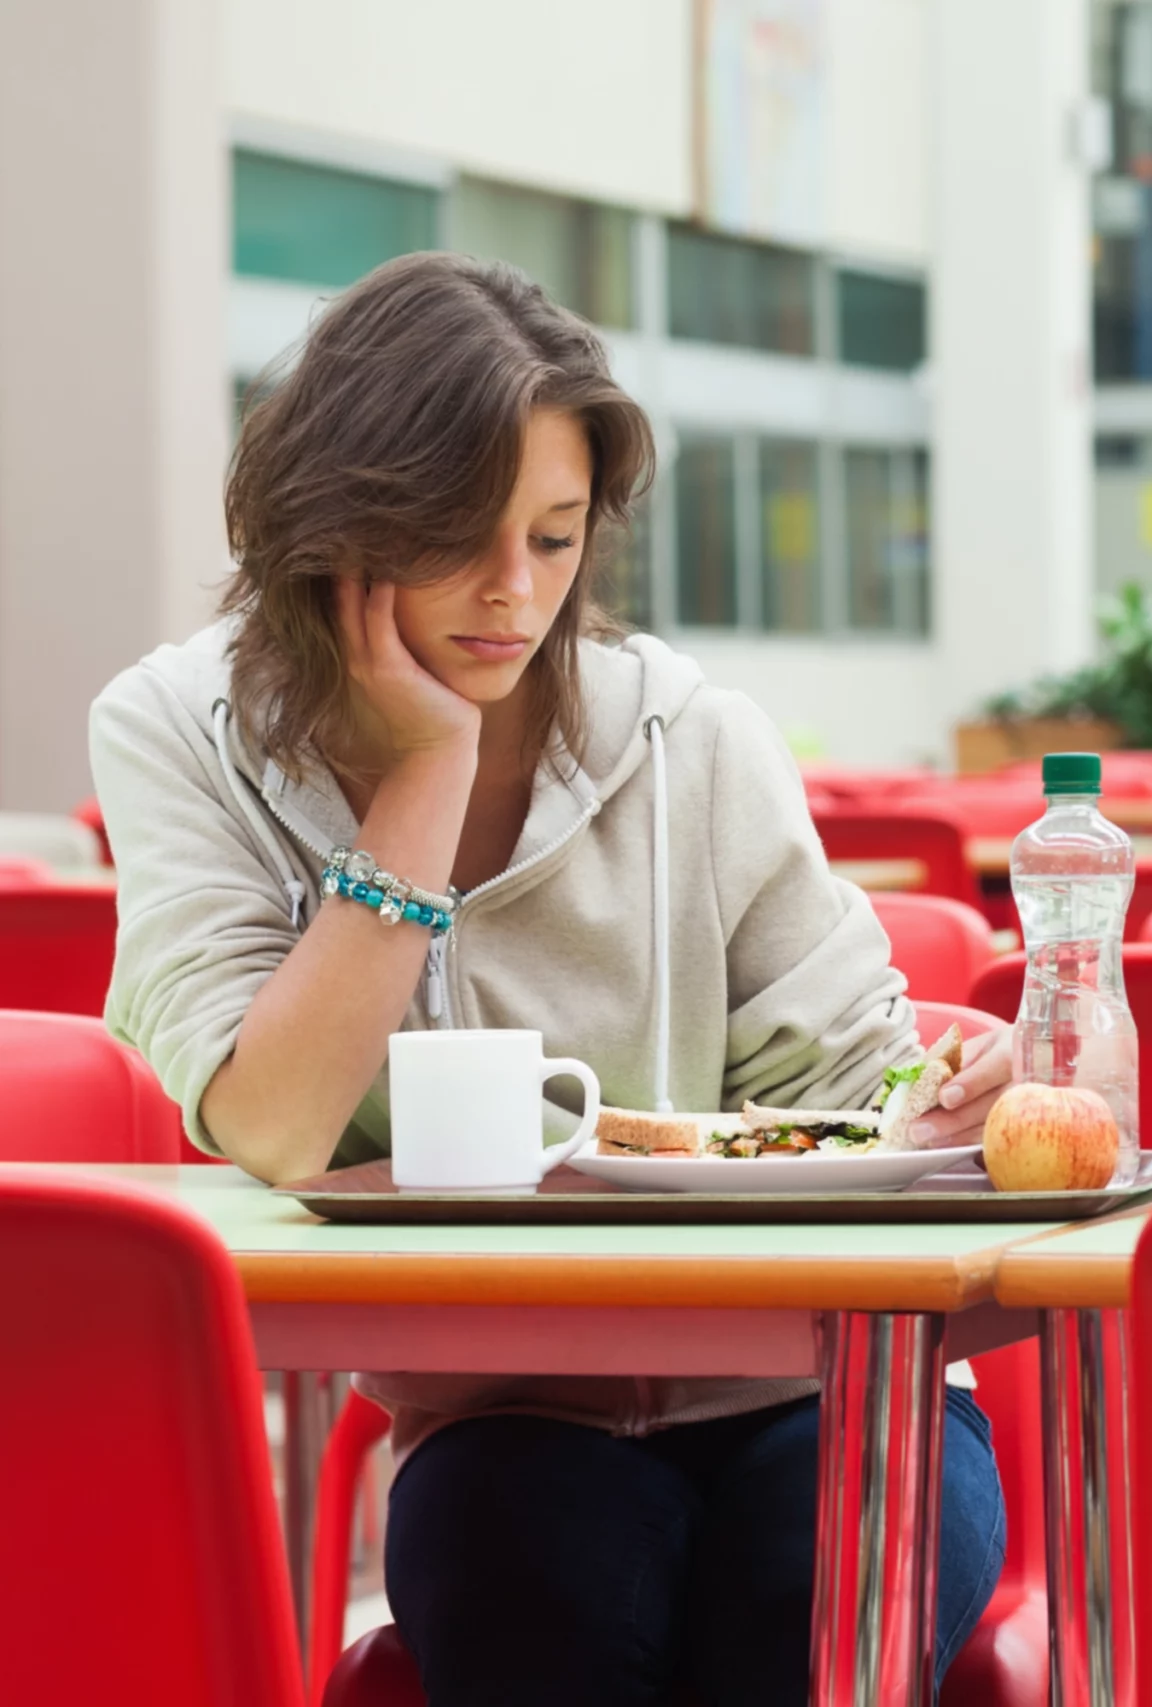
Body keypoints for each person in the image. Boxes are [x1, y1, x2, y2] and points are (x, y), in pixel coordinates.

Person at [89, 252, 1005, 1705]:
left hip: (822, 1395)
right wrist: (425, 777)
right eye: (462, 538)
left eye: (559, 537)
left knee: (804, 1612)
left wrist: (949, 1093)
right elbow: (272, 1124)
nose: (517, 595)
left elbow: (852, 1080)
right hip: (503, 1413)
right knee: (542, 1604)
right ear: (339, 524)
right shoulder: (179, 730)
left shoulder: (691, 736)